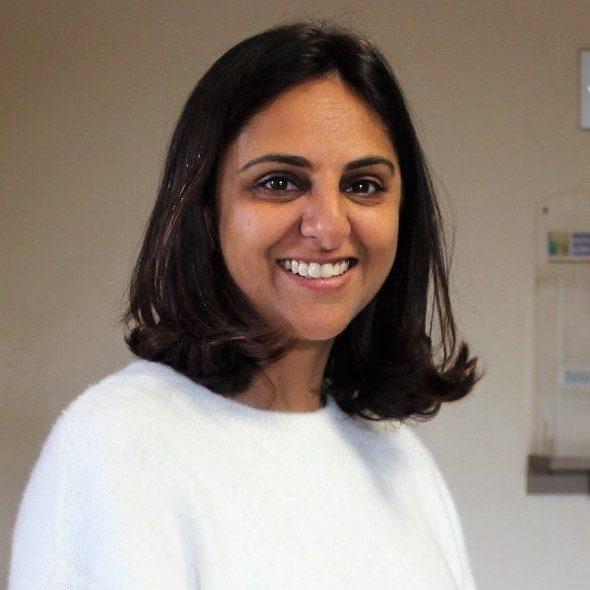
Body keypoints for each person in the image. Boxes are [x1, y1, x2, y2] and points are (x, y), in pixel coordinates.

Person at [9, 22, 480, 589]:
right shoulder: (119, 446)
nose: (329, 227)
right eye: (280, 183)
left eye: (363, 185)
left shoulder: (399, 459)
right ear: (205, 209)